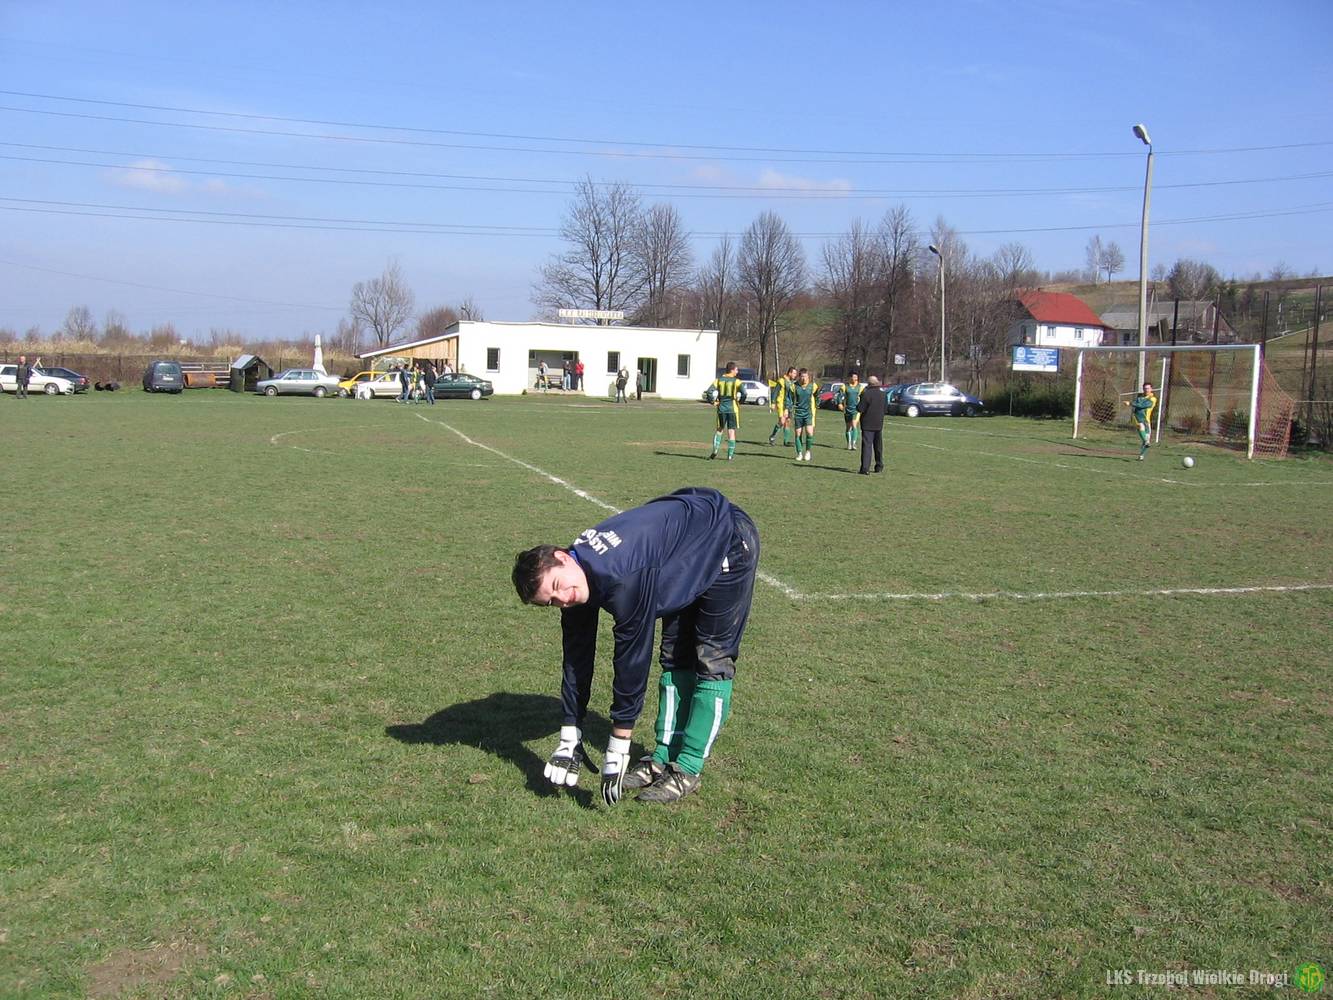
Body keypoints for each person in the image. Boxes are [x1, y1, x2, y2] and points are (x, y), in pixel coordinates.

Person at [512, 487, 759, 805]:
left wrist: (618, 746)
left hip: (726, 537)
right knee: (675, 655)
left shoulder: (622, 575)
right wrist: (570, 731)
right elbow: (576, 655)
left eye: (558, 586)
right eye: (552, 601)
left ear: (562, 556)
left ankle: (688, 767)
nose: (563, 598)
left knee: (712, 658)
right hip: (683, 545)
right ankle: (662, 757)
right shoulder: (575, 575)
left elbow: (632, 659)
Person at [706, 362, 746, 461]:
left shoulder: (718, 380)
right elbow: (744, 393)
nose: (737, 372)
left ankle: (715, 450)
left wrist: (713, 402)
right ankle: (730, 456)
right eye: (736, 370)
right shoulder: (737, 381)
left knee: (719, 430)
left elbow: (709, 391)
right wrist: (740, 402)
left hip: (721, 409)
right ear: (732, 370)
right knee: (731, 431)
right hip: (733, 409)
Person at [856, 375, 887, 474]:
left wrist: (859, 400)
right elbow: (885, 409)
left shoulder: (866, 394)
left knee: (867, 446)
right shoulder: (883, 394)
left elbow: (860, 408)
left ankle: (865, 468)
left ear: (869, 384)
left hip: (867, 423)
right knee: (878, 446)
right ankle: (879, 465)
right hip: (879, 423)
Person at [789, 368, 820, 462]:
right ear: (799, 377)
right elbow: (790, 399)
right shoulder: (794, 386)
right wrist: (789, 409)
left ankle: (808, 452)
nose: (804, 378)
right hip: (798, 413)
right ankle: (799, 453)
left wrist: (817, 403)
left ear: (808, 377)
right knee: (798, 433)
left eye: (805, 376)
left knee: (809, 432)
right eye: (802, 376)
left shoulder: (813, 386)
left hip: (808, 413)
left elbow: (817, 395)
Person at [1124, 382, 1157, 460]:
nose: (1146, 390)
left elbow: (1143, 405)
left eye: (1148, 388)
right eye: (1145, 388)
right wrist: (1133, 403)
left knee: (1147, 439)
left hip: (1146, 420)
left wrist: (1130, 403)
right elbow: (1137, 403)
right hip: (1137, 417)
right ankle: (1146, 441)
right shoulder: (1139, 397)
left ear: (1151, 389)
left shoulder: (1153, 399)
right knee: (1141, 427)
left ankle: (1141, 455)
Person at [767, 366, 798, 446]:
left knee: (787, 422)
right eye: (794, 373)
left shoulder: (792, 383)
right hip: (782, 404)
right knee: (782, 421)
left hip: (789, 405)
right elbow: (775, 392)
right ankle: (772, 436)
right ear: (789, 373)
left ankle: (786, 441)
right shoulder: (781, 381)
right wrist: (773, 403)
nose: (795, 375)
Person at [835, 373, 864, 451]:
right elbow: (839, 396)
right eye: (854, 377)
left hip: (856, 409)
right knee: (848, 427)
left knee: (854, 425)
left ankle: (854, 443)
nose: (855, 378)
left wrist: (862, 406)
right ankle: (849, 444)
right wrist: (839, 403)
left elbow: (863, 397)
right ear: (850, 378)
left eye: (856, 377)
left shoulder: (860, 387)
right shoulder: (845, 386)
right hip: (847, 409)